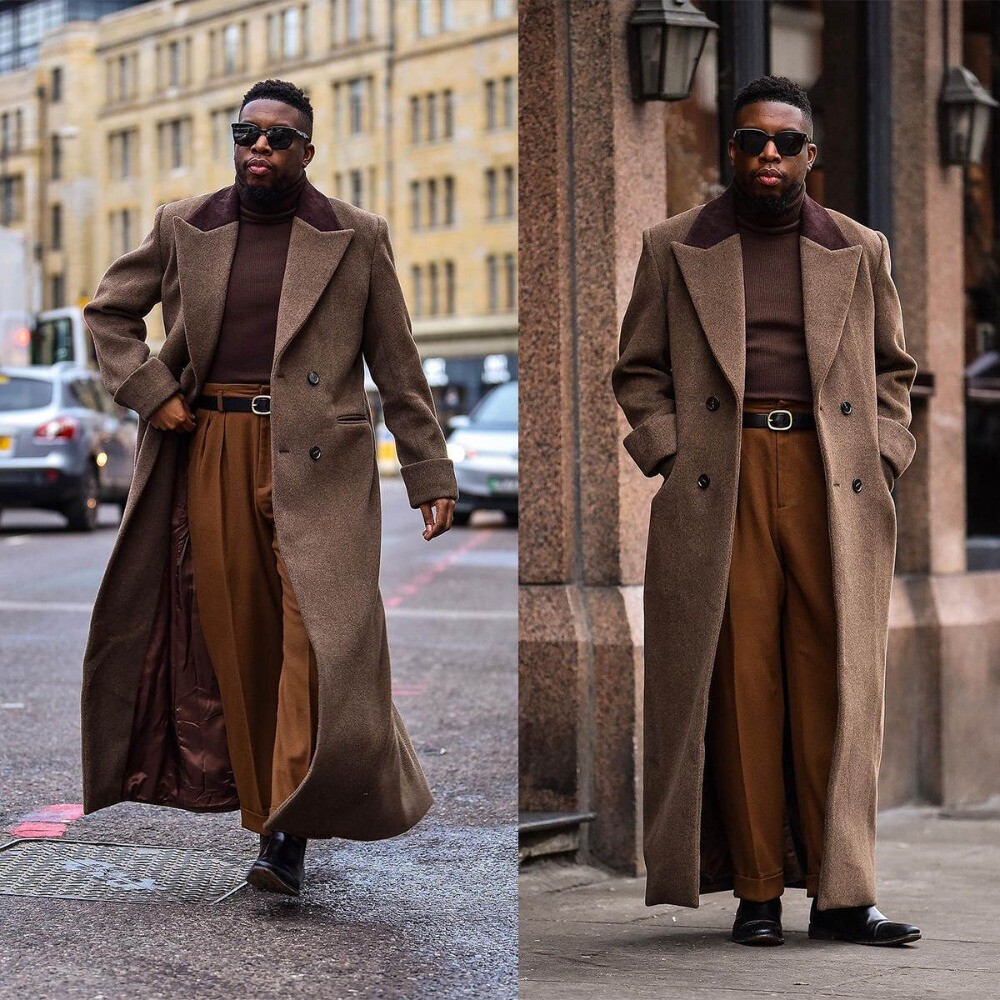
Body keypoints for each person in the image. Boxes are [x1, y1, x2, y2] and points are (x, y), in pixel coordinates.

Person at [80, 79, 457, 897]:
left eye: (278, 138)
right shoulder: (186, 224)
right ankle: (271, 820)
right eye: (246, 134)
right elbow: (109, 314)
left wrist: (428, 466)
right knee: (244, 641)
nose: (259, 148)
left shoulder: (355, 237)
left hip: (322, 463)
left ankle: (290, 825)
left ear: (307, 151)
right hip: (210, 444)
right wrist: (152, 389)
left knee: (318, 640)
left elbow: (398, 364)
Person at [611, 75, 921, 946]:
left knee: (839, 683)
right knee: (744, 680)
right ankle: (755, 892)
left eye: (787, 143)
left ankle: (843, 893)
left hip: (835, 485)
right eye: (752, 142)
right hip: (723, 479)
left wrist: (884, 456)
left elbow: (895, 371)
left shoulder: (859, 249)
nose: (770, 157)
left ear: (811, 156)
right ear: (731, 153)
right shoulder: (675, 246)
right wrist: (671, 451)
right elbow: (637, 370)